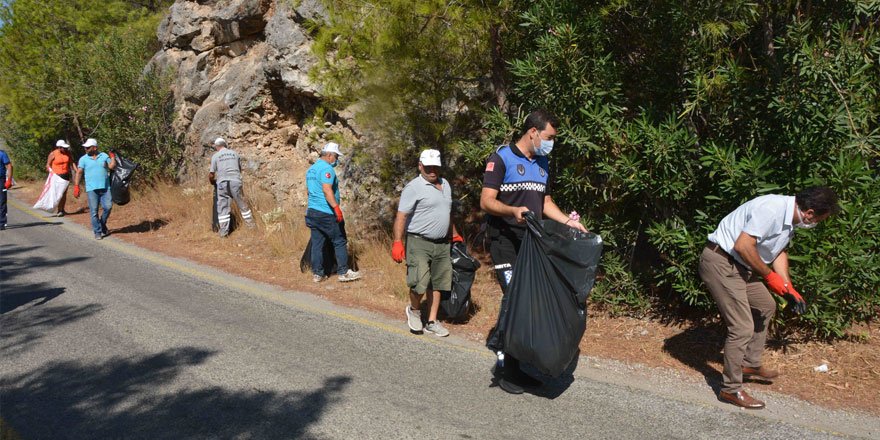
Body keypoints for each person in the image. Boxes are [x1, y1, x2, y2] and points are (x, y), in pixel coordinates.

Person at [700, 186, 840, 409]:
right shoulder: (772, 209)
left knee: (765, 305)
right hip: (721, 262)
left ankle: (749, 364)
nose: (816, 224)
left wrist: (787, 287)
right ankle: (730, 389)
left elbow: (779, 251)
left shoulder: (790, 217)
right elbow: (743, 245)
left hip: (741, 267)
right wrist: (770, 277)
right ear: (810, 213)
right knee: (742, 327)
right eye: (819, 220)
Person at [480, 109, 588, 395]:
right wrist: (511, 210)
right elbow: (487, 201)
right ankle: (508, 372)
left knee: (528, 302)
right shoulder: (501, 158)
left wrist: (570, 222)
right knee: (516, 298)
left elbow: (545, 202)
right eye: (549, 136)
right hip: (504, 241)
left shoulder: (542, 162)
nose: (552, 142)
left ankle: (519, 365)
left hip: (531, 243)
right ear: (533, 132)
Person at [392, 149, 463, 337]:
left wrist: (454, 234)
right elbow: (402, 216)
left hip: (442, 243)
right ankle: (414, 310)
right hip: (419, 241)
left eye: (436, 167)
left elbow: (446, 213)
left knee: (438, 283)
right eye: (428, 166)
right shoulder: (413, 187)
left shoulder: (445, 184)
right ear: (420, 166)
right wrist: (397, 242)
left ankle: (432, 321)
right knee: (419, 282)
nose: (432, 170)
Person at [305, 142, 361, 283]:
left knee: (317, 243)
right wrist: (336, 208)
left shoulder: (311, 169)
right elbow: (327, 189)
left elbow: (309, 191)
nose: (336, 159)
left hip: (312, 212)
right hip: (326, 212)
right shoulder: (326, 169)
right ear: (329, 155)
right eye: (335, 156)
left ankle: (318, 274)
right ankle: (343, 272)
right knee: (339, 241)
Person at [209, 137, 256, 237]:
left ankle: (223, 233)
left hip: (222, 183)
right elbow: (239, 169)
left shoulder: (216, 156)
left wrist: (213, 182)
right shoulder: (235, 154)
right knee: (242, 204)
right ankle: (252, 227)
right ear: (225, 145)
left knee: (223, 207)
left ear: (217, 146)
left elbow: (211, 174)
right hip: (235, 181)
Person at [73, 138, 117, 239]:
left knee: (108, 207)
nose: (86, 149)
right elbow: (79, 172)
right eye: (85, 147)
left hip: (105, 187)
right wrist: (76, 186)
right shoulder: (83, 159)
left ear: (95, 147)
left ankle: (102, 223)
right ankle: (97, 231)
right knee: (94, 211)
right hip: (91, 189)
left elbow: (112, 167)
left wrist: (112, 157)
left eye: (88, 147)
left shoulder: (104, 156)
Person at [46, 140, 78, 216]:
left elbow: (71, 162)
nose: (65, 149)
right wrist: (51, 172)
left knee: (63, 194)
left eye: (66, 148)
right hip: (56, 176)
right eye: (64, 148)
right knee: (57, 193)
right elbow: (48, 165)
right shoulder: (53, 154)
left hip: (65, 175)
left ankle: (61, 210)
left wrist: (77, 170)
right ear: (59, 147)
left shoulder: (68, 154)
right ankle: (54, 208)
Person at [0, 147, 12, 230]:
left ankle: (2, 223)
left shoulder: (2, 154)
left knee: (2, 201)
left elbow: (9, 166)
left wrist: (9, 180)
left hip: (1, 179)